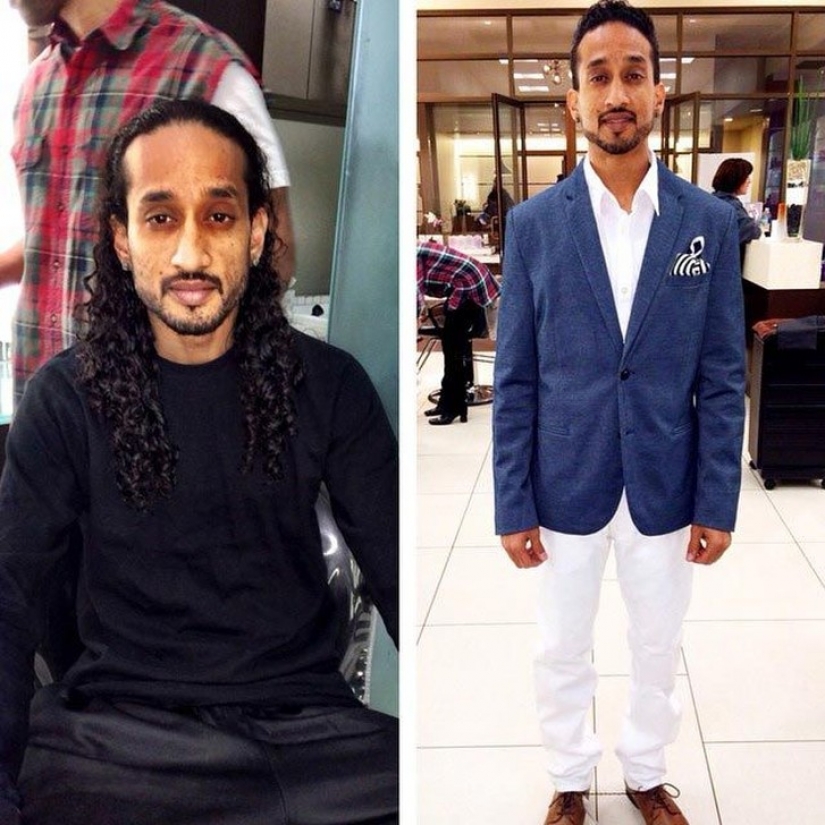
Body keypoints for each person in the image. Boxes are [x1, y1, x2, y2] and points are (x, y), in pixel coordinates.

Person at [0, 100, 398, 825]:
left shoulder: (330, 386)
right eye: (160, 218)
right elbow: (10, 596)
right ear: (122, 239)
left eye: (218, 216)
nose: (190, 254)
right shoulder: (64, 399)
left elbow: (398, 569)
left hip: (311, 736)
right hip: (118, 737)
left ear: (256, 232)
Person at [492, 3, 745, 824]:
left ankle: (644, 771)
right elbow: (515, 377)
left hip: (666, 479)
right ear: (572, 98)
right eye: (596, 76)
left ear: (658, 92)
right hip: (564, 477)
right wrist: (510, 501)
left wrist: (717, 499)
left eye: (632, 74)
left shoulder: (706, 224)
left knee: (655, 644)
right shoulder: (533, 226)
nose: (614, 93)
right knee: (560, 645)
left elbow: (721, 373)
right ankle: (569, 775)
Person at [0, 0, 296, 405]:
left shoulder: (204, 68)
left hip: (144, 414)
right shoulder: (38, 84)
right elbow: (54, 241)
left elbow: (273, 252)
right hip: (38, 399)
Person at [417, 238, 500, 426]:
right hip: (465, 283)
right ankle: (447, 403)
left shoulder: (411, 256)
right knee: (450, 351)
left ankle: (454, 407)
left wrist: (417, 320)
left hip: (468, 286)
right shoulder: (416, 252)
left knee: (454, 353)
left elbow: (415, 293)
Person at [711, 157, 762, 266]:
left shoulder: (711, 200)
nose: (749, 181)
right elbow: (752, 230)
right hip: (727, 266)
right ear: (736, 179)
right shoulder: (732, 206)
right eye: (746, 177)